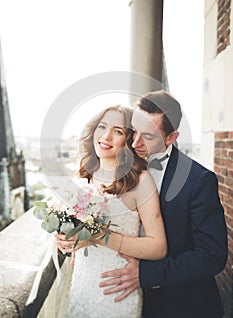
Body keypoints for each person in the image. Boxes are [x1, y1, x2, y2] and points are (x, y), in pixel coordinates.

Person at [98, 91, 228, 318]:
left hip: (181, 306)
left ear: (171, 138)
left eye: (147, 136)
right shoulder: (114, 163)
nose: (135, 142)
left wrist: (146, 274)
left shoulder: (198, 180)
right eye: (134, 131)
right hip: (118, 299)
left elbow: (212, 256)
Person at [56, 104, 167, 318]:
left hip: (116, 290)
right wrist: (63, 238)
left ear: (128, 140)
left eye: (118, 131)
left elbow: (158, 247)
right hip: (81, 285)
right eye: (102, 126)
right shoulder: (82, 176)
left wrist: (97, 235)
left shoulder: (140, 181)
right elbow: (72, 227)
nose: (106, 136)